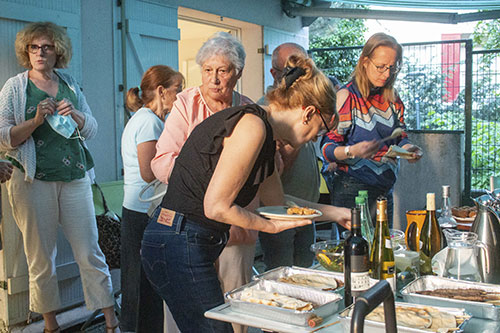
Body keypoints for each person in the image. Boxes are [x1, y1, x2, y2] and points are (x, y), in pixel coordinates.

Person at [141, 53, 351, 332]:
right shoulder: (252, 126)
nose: (316, 138)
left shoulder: (264, 132)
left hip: (188, 239)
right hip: (177, 239)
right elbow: (216, 207)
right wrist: (267, 225)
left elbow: (277, 202)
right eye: (320, 131)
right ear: (308, 112)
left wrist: (336, 213)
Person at [0, 22, 120, 333]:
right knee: (41, 257)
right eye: (34, 47)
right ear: (27, 52)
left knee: (90, 251)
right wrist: (36, 119)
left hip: (75, 176)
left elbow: (91, 128)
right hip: (32, 180)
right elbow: (3, 138)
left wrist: (77, 115)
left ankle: (111, 321)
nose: (40, 52)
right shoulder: (15, 87)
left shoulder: (69, 83)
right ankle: (50, 325)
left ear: (58, 52)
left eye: (47, 47)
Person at [150, 31, 254, 333]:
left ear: (238, 73)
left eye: (222, 70)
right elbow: (162, 161)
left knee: (235, 297)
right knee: (182, 300)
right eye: (207, 70)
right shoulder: (186, 103)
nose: (214, 79)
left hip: (233, 221)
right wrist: (208, 192)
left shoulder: (246, 109)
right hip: (187, 217)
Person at [321, 32, 423, 228]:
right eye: (381, 67)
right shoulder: (347, 96)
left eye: (393, 68)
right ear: (364, 61)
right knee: (357, 253)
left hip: (385, 188)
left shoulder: (392, 97)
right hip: (353, 188)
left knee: (383, 250)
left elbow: (400, 136)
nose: (387, 74)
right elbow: (327, 148)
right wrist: (352, 151)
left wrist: (409, 148)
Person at [120, 65, 183, 333]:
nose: (179, 97)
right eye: (176, 90)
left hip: (138, 210)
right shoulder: (148, 122)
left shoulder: (146, 118)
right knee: (143, 284)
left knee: (142, 283)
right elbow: (149, 173)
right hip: (142, 213)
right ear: (161, 91)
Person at [257, 42, 319, 269]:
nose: (299, 77)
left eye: (302, 69)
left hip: (307, 208)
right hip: (281, 211)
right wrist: (298, 138)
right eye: (291, 70)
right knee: (282, 274)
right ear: (274, 73)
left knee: (306, 272)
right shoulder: (267, 109)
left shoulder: (303, 105)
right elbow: (278, 168)